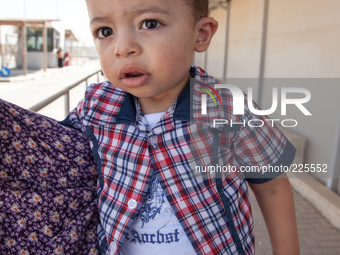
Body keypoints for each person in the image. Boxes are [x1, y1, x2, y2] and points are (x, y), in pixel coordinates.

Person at [61, 0, 300, 254]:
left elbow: (272, 186)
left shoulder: (229, 109)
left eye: (149, 24)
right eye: (105, 31)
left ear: (201, 34)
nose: (122, 48)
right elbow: (48, 154)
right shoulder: (95, 106)